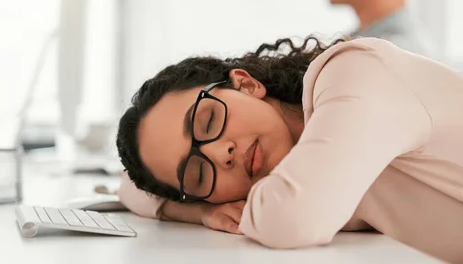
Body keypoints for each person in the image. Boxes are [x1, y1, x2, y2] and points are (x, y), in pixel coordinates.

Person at [116, 36, 463, 263]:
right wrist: (198, 211)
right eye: (197, 173)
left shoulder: (355, 74)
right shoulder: (301, 167)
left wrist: (199, 204)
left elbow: (295, 219)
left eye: (207, 122)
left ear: (246, 84)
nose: (220, 154)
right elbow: (129, 187)